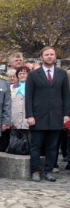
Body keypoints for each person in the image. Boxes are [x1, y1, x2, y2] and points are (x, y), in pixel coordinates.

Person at [25, 46, 70, 182]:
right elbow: (29, 97)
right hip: (38, 117)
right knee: (36, 146)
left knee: (53, 146)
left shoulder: (62, 74)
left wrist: (66, 114)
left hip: (56, 116)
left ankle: (49, 171)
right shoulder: (33, 75)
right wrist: (30, 115)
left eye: (52, 54)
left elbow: (66, 96)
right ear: (41, 57)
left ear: (55, 57)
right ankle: (36, 171)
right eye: (46, 54)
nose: (49, 56)